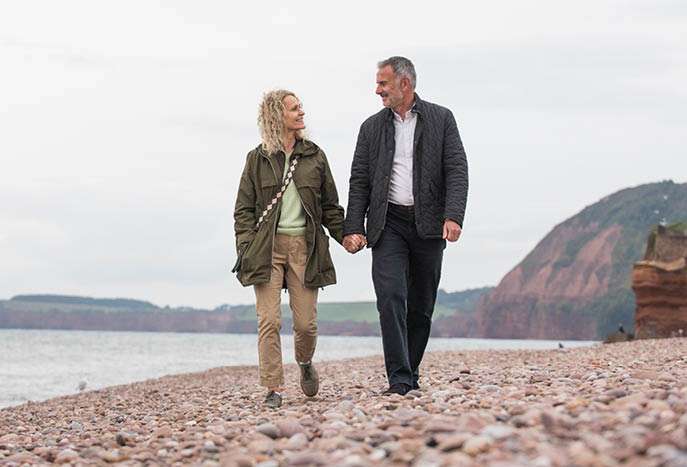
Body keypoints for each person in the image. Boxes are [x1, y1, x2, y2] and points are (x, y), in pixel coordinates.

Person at [343, 57, 468, 395]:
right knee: (390, 297)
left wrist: (453, 215)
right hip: (388, 224)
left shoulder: (442, 119)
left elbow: (457, 169)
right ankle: (398, 379)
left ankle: (411, 371)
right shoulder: (370, 127)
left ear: (405, 84)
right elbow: (359, 180)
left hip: (428, 225)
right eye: (378, 83)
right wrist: (353, 226)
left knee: (422, 304)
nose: (377, 90)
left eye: (383, 84)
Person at [233, 90, 345, 408]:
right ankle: (273, 388)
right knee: (268, 320)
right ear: (276, 116)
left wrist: (346, 237)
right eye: (295, 109)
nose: (301, 113)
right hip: (266, 249)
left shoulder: (315, 156)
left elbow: (330, 207)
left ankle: (305, 362)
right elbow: (243, 210)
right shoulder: (257, 159)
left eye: (301, 107)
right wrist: (245, 246)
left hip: (305, 248)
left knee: (306, 324)